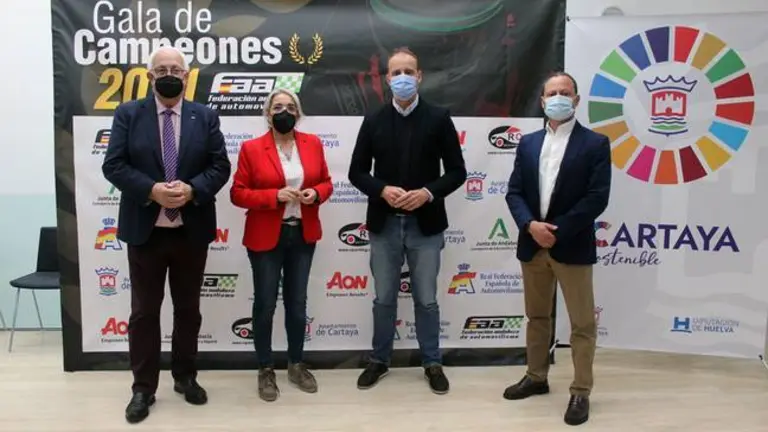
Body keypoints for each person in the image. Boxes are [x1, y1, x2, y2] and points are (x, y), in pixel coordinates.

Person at [102, 46, 231, 424]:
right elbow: (113, 165)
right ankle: (143, 388)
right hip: (146, 233)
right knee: (144, 312)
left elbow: (220, 166)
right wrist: (151, 190)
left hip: (191, 230)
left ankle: (185, 376)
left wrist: (192, 189)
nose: (169, 74)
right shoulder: (128, 114)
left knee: (188, 310)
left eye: (176, 69)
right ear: (150, 76)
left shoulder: (205, 116)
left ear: (187, 76)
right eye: (161, 70)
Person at [348, 47, 466, 395]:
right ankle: (379, 360)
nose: (402, 78)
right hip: (384, 224)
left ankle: (432, 362)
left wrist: (428, 193)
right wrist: (382, 190)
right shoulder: (373, 120)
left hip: (425, 225)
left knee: (426, 299)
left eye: (408, 72)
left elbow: (457, 172)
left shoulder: (439, 117)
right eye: (396, 72)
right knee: (384, 298)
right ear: (387, 78)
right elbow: (356, 172)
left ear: (419, 76)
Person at [503, 71, 611, 426]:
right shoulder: (528, 143)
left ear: (576, 100)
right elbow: (514, 192)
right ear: (542, 100)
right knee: (537, 317)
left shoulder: (595, 144)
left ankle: (581, 390)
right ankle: (536, 377)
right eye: (552, 93)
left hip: (572, 245)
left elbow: (597, 198)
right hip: (532, 244)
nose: (558, 98)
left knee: (582, 324)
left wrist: (558, 231)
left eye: (565, 92)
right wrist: (530, 225)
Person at [230, 88, 333, 402]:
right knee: (265, 304)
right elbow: (237, 193)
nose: (284, 112)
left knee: (297, 304)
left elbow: (326, 182)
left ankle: (296, 364)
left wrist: (316, 194)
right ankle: (265, 369)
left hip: (302, 234)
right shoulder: (251, 148)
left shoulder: (313, 144)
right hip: (265, 236)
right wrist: (273, 196)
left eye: (290, 106)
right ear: (267, 113)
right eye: (277, 107)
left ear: (298, 113)